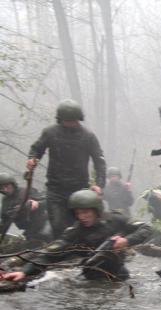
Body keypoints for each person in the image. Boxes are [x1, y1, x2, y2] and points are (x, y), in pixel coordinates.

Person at [0, 189, 151, 282]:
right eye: (78, 213)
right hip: (92, 278)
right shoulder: (74, 232)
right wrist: (24, 272)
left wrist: (127, 241)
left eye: (86, 212)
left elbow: (146, 228)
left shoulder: (116, 219)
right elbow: (48, 255)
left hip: (120, 274)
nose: (82, 217)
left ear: (96, 210)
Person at [28, 100, 107, 239]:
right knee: (58, 225)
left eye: (74, 120)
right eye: (68, 121)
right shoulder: (50, 132)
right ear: (61, 120)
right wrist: (32, 158)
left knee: (80, 225)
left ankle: (80, 254)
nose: (71, 123)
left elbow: (99, 161)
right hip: (55, 188)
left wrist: (99, 184)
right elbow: (37, 149)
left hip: (79, 188)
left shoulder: (88, 136)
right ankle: (61, 253)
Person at [0, 172, 50, 243]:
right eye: (1, 188)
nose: (5, 190)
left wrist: (37, 203)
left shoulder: (25, 191)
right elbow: (5, 222)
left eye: (7, 186)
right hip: (30, 231)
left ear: (13, 184)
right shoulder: (6, 201)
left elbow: (47, 201)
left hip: (44, 225)